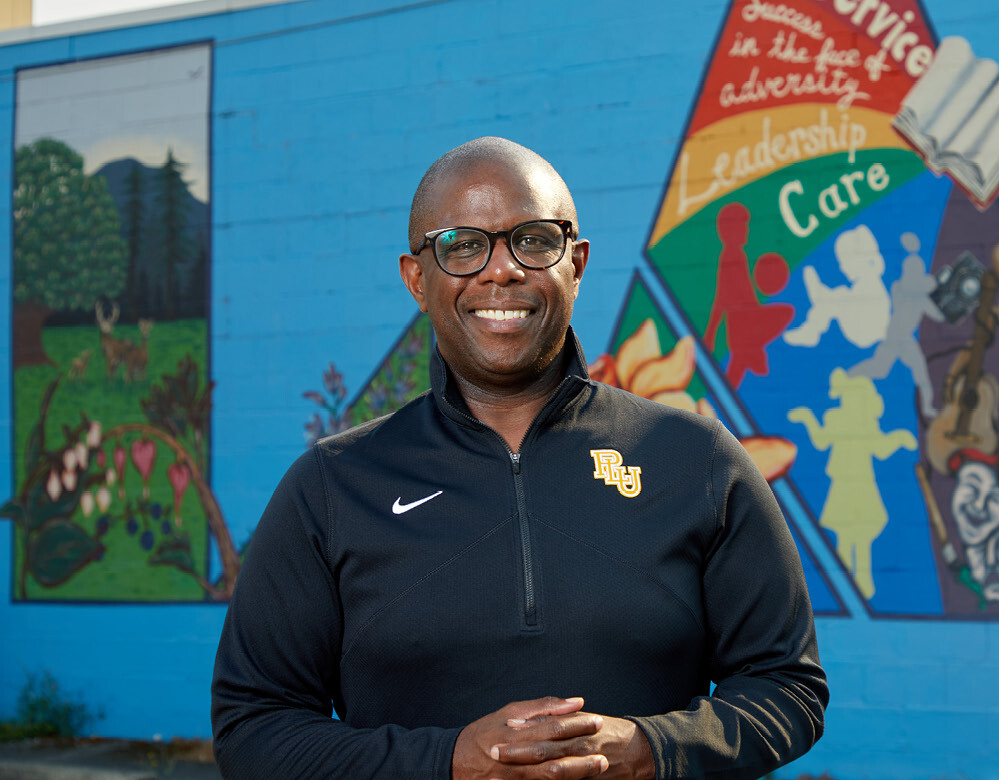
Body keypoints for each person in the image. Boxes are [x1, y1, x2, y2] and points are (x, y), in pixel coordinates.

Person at [210, 137, 828, 780]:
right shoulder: (334, 487)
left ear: (578, 264)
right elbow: (254, 728)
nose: (500, 269)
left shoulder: (696, 461)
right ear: (417, 279)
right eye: (461, 244)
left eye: (533, 240)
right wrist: (448, 764)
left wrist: (652, 751)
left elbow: (788, 687)